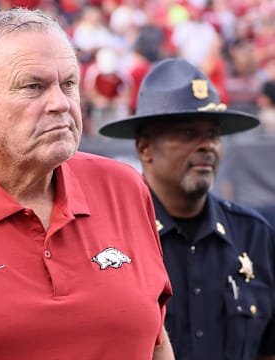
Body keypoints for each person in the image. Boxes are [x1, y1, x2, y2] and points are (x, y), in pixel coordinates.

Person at [0, 8, 174, 360]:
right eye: (32, 87)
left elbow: (156, 340)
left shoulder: (124, 188)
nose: (60, 103)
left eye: (68, 84)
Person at [99, 57, 275, 360]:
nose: (207, 145)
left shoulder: (252, 234)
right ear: (144, 148)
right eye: (187, 134)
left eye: (213, 135)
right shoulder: (108, 238)